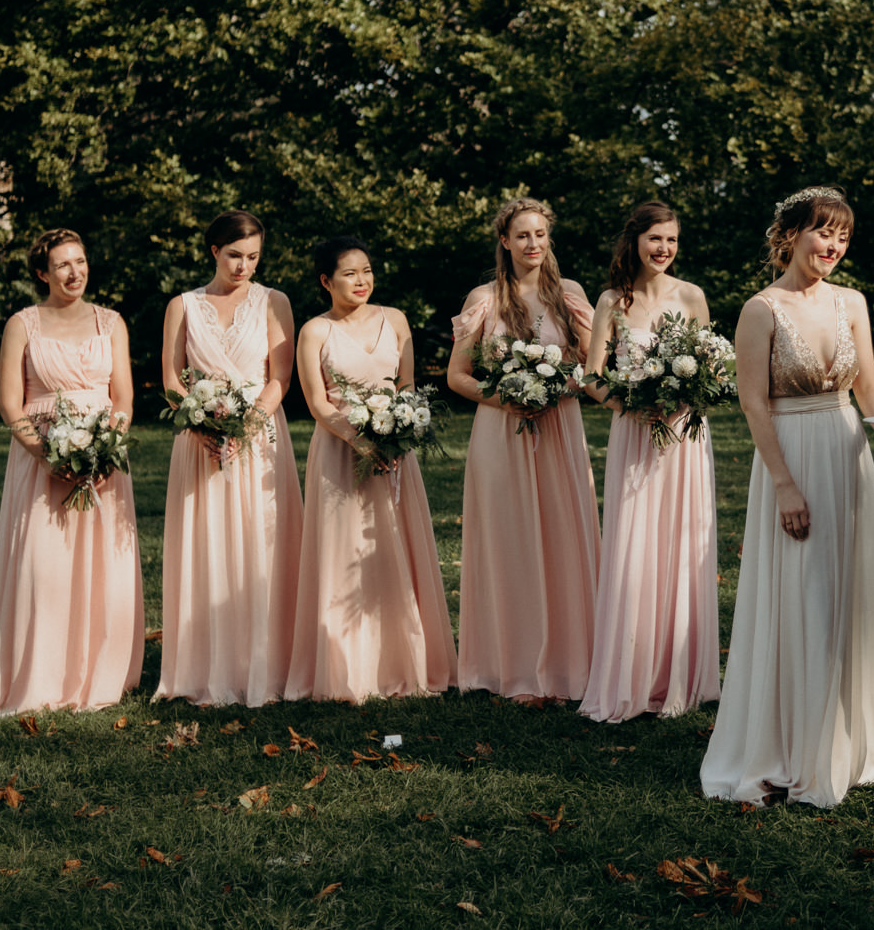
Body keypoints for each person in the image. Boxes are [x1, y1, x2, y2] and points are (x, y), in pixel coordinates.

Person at [700, 187, 874, 809]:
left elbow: (867, 384)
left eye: (842, 236)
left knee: (847, 594)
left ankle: (843, 740)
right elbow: (753, 402)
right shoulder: (761, 309)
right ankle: (787, 745)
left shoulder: (853, 301)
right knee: (802, 595)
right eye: (822, 233)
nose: (832, 246)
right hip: (791, 458)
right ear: (791, 235)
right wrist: (783, 482)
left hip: (846, 455)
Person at [0, 229, 144, 717]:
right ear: (42, 273)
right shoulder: (23, 324)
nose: (74, 272)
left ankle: (98, 673)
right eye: (62, 264)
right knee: (44, 567)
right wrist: (50, 455)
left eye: (80, 261)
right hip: (41, 462)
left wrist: (106, 452)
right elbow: (9, 405)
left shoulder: (111, 322)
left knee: (101, 569)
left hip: (105, 463)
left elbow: (123, 398)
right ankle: (40, 673)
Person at [285, 235, 456, 702]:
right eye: (349, 273)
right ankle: (347, 669)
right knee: (344, 553)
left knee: (394, 545)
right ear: (326, 281)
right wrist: (360, 439)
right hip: (340, 452)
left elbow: (406, 385)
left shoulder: (395, 319)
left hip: (395, 451)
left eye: (367, 271)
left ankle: (406, 661)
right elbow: (318, 403)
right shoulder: (314, 331)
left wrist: (397, 433)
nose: (361, 281)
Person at [445, 197, 600, 704]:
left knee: (563, 540)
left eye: (541, 235)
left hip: (559, 431)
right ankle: (512, 669)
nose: (533, 244)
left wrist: (557, 388)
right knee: (509, 544)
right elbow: (457, 376)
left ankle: (571, 665)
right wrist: (509, 400)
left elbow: (595, 368)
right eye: (523, 236)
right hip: (501, 432)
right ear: (505, 242)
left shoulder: (570, 294)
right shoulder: (484, 298)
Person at [156, 210, 304, 707]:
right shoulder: (182, 305)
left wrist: (244, 425)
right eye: (235, 255)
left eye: (254, 257)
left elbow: (280, 378)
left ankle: (266, 665)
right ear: (213, 251)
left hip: (259, 436)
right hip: (198, 441)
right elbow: (173, 379)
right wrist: (197, 423)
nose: (244, 266)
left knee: (261, 544)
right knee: (206, 544)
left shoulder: (274, 302)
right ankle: (204, 667)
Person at [580, 202, 720, 722]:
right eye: (654, 239)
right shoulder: (613, 301)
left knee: (683, 546)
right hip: (636, 436)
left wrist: (686, 394)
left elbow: (708, 367)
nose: (663, 249)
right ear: (634, 241)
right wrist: (630, 403)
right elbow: (592, 376)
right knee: (635, 548)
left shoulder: (692, 296)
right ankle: (632, 673)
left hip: (683, 439)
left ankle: (682, 674)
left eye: (671, 241)